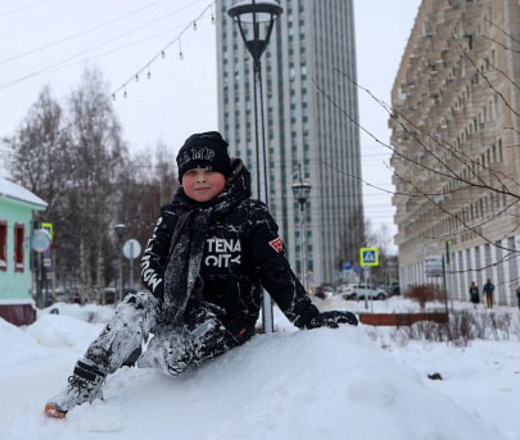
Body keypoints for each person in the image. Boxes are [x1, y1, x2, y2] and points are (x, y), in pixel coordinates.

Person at [44, 132, 358, 418]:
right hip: (177, 306)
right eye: (192, 173)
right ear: (183, 178)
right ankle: (83, 384)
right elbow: (150, 264)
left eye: (209, 171)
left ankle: (147, 366)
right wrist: (175, 299)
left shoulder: (250, 215)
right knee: (134, 307)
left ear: (226, 173)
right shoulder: (172, 216)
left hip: (225, 321)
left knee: (172, 357)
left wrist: (309, 318)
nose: (201, 179)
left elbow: (275, 273)